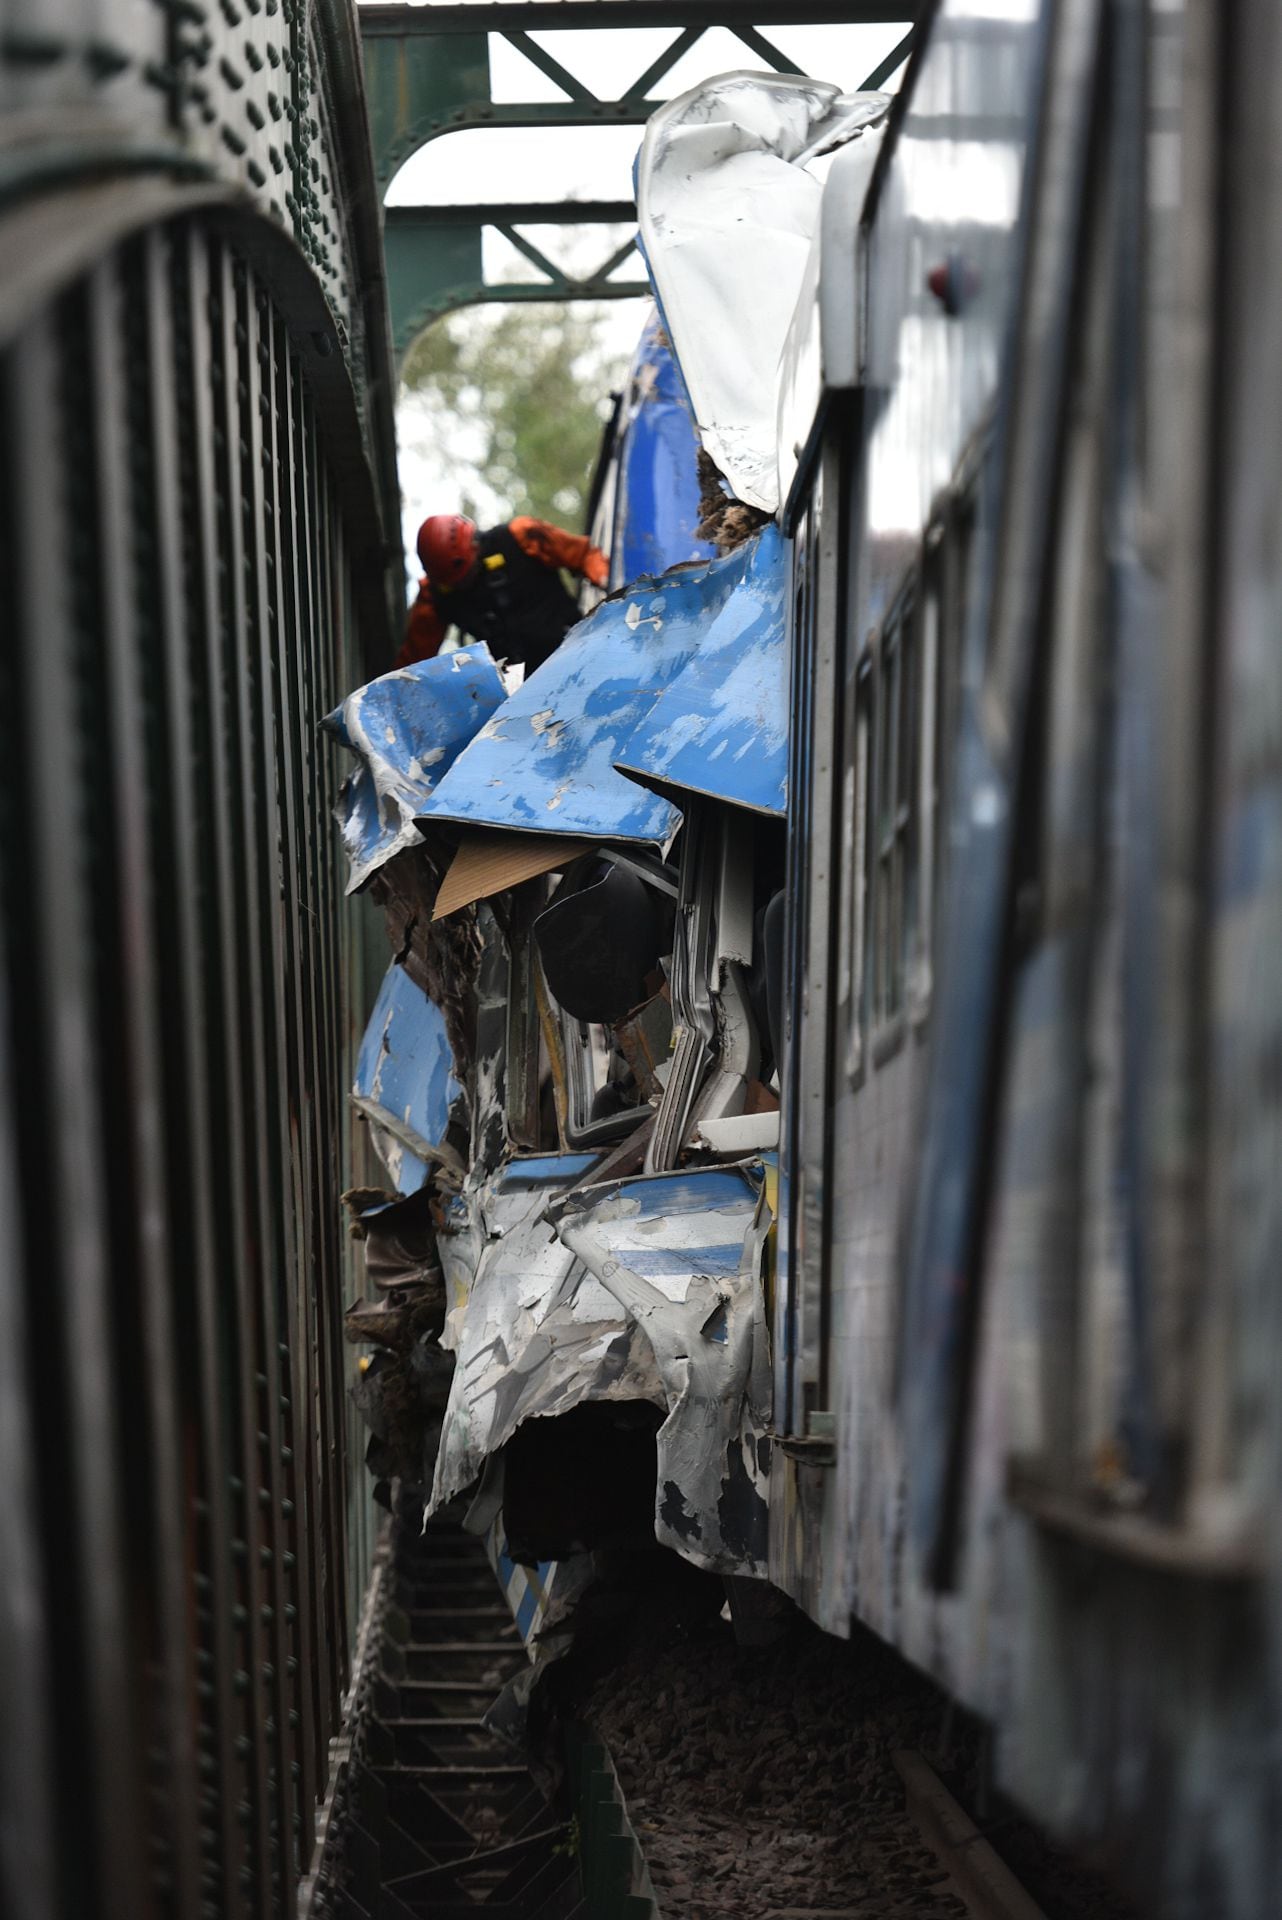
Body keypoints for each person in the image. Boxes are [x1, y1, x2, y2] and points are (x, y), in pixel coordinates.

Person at [397, 512, 609, 672]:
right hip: (524, 691)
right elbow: (413, 664)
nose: (461, 586)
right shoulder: (434, 597)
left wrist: (610, 584)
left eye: (465, 575)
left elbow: (585, 555)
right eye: (451, 584)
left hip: (579, 651)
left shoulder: (521, 536)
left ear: (473, 545)